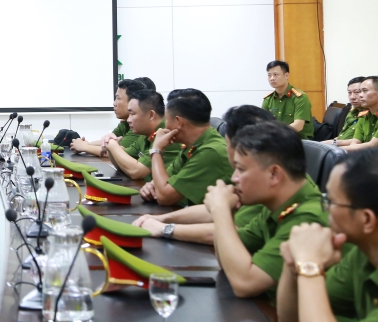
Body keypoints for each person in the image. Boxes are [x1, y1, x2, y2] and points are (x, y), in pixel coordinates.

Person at [205, 122, 327, 299]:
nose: (234, 178)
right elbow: (227, 261)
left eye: (240, 169)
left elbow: (245, 284)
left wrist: (220, 211)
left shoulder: (308, 217)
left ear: (274, 174)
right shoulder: (276, 205)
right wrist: (228, 213)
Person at [132, 105, 276, 244]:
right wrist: (162, 219)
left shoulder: (261, 184)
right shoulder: (258, 178)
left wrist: (165, 228)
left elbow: (231, 234)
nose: (234, 177)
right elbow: (213, 210)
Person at [275, 149, 378, 322]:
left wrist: (309, 264)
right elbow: (292, 316)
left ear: (366, 219)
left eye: (331, 201)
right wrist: (293, 263)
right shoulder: (363, 255)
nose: (325, 209)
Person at [139, 89, 233, 206]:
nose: (164, 126)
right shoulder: (193, 145)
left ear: (179, 122)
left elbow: (164, 196)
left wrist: (156, 150)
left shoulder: (210, 152)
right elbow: (161, 184)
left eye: (167, 120)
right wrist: (151, 186)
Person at [105, 90, 181, 180]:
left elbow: (136, 171)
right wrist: (111, 147)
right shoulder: (145, 133)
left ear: (151, 115)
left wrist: (112, 145)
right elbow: (123, 163)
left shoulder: (167, 134)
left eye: (132, 114)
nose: (128, 120)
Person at [71, 78, 146, 157]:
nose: (114, 103)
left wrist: (84, 147)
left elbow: (119, 153)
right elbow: (108, 143)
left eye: (118, 98)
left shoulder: (139, 124)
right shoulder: (125, 122)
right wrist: (86, 144)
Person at [263, 60, 314, 139]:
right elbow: (262, 123)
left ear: (286, 75)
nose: (272, 78)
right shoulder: (268, 99)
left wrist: (276, 134)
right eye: (269, 75)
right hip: (276, 139)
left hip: (298, 140)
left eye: (275, 74)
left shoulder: (300, 98)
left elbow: (298, 125)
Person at [340, 76, 378, 152]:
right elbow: (355, 143)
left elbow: (372, 145)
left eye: (365, 91)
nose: (360, 95)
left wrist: (332, 150)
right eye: (360, 91)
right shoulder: (363, 116)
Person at [325, 76, 365, 146]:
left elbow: (363, 141)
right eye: (349, 93)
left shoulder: (370, 115)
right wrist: (329, 143)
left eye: (357, 92)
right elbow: (343, 136)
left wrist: (333, 143)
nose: (352, 97)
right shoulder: (352, 112)